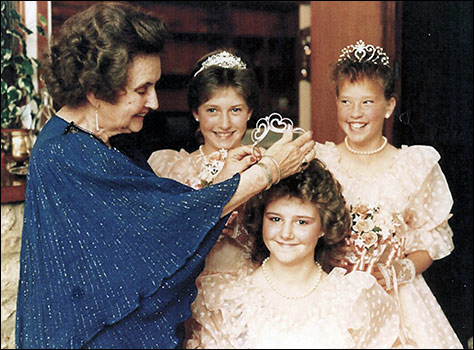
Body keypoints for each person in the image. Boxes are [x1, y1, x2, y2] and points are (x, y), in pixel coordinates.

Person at [14, 3, 316, 349]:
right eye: (143, 89)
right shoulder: (65, 155)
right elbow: (161, 227)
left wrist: (224, 181)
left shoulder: (105, 142)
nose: (155, 102)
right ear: (97, 90)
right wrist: (270, 169)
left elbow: (162, 211)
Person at [315, 39, 463, 348]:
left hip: (395, 294)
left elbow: (430, 240)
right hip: (332, 293)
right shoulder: (322, 162)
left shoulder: (412, 166)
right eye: (346, 102)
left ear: (389, 106)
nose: (355, 113)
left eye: (367, 102)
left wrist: (401, 269)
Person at [185, 159, 401, 349]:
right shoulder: (228, 301)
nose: (286, 233)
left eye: (301, 222)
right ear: (262, 221)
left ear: (323, 227)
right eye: (275, 219)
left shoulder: (353, 298)